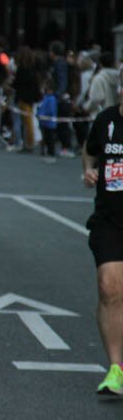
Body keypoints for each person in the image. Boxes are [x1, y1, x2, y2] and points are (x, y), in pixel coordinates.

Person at [83, 87, 123, 396]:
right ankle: (115, 368)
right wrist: (89, 169)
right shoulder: (106, 121)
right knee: (109, 287)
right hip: (109, 220)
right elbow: (90, 150)